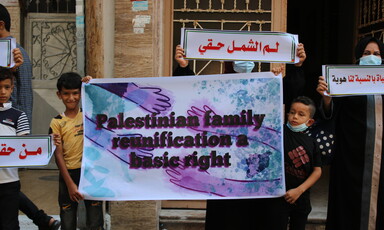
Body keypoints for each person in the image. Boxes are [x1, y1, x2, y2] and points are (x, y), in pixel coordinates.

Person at [0, 4, 61, 230]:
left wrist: (21, 134)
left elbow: (24, 94)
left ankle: (42, 219)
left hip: (9, 128)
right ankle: (43, 219)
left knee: (8, 185)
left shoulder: (18, 53)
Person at [317, 36, 384, 230]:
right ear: (358, 57)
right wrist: (327, 98)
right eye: (367, 53)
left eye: (377, 54)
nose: (372, 57)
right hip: (352, 159)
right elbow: (330, 115)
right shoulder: (346, 81)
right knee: (348, 206)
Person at [50, 72, 104, 230]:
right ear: (59, 95)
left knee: (95, 221)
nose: (71, 98)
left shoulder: (89, 115)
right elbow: (58, 155)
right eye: (66, 94)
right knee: (67, 221)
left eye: (75, 93)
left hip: (90, 173)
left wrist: (89, 84)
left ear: (81, 93)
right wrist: (70, 184)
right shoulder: (57, 122)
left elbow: (101, 104)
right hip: (68, 174)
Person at [265, 96, 322, 230]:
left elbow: (317, 171)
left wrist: (299, 190)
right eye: (292, 112)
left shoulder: (312, 143)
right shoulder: (278, 133)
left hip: (301, 198)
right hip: (277, 197)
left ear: (310, 121)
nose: (294, 117)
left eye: (301, 114)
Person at [0, 67, 30, 230]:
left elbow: (22, 148)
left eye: (6, 87)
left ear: (12, 88)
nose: (2, 91)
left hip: (9, 182)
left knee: (10, 225)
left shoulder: (19, 116)